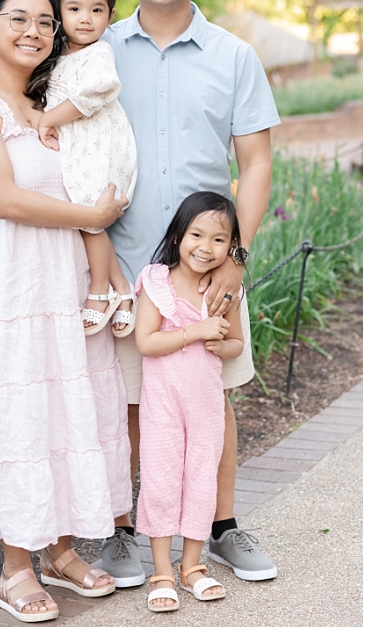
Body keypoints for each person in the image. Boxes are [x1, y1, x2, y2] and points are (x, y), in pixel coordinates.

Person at [0, 0, 281, 588]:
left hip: (205, 265)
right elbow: (14, 97)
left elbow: (259, 164)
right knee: (125, 403)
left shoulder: (234, 56)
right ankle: (129, 533)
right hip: (119, 265)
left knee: (214, 397)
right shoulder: (89, 48)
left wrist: (236, 259)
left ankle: (220, 528)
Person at [0, 0, 131, 623]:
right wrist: (92, 212)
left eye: (46, 22)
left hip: (65, 277)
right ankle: (15, 568)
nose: (35, 31)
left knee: (65, 406)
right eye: (18, 18)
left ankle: (62, 550)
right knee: (19, 414)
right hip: (12, 281)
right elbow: (5, 199)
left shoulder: (50, 99)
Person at [132, 192, 244, 611]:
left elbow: (236, 342)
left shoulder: (221, 290)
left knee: (201, 478)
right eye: (197, 234)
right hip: (163, 405)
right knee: (161, 479)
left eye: (219, 240)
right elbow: (146, 341)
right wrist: (197, 333)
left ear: (230, 246)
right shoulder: (156, 281)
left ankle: (192, 566)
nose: (205, 247)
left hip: (205, 406)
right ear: (179, 234)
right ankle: (161, 570)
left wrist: (222, 346)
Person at [35, 0, 139, 338]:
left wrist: (49, 118)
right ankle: (123, 292)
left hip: (101, 146)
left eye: (96, 10)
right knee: (87, 218)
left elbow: (97, 92)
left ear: (110, 16)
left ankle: (99, 292)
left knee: (90, 218)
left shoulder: (98, 53)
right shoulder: (58, 53)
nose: (85, 18)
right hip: (81, 146)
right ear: (59, 12)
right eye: (75, 9)